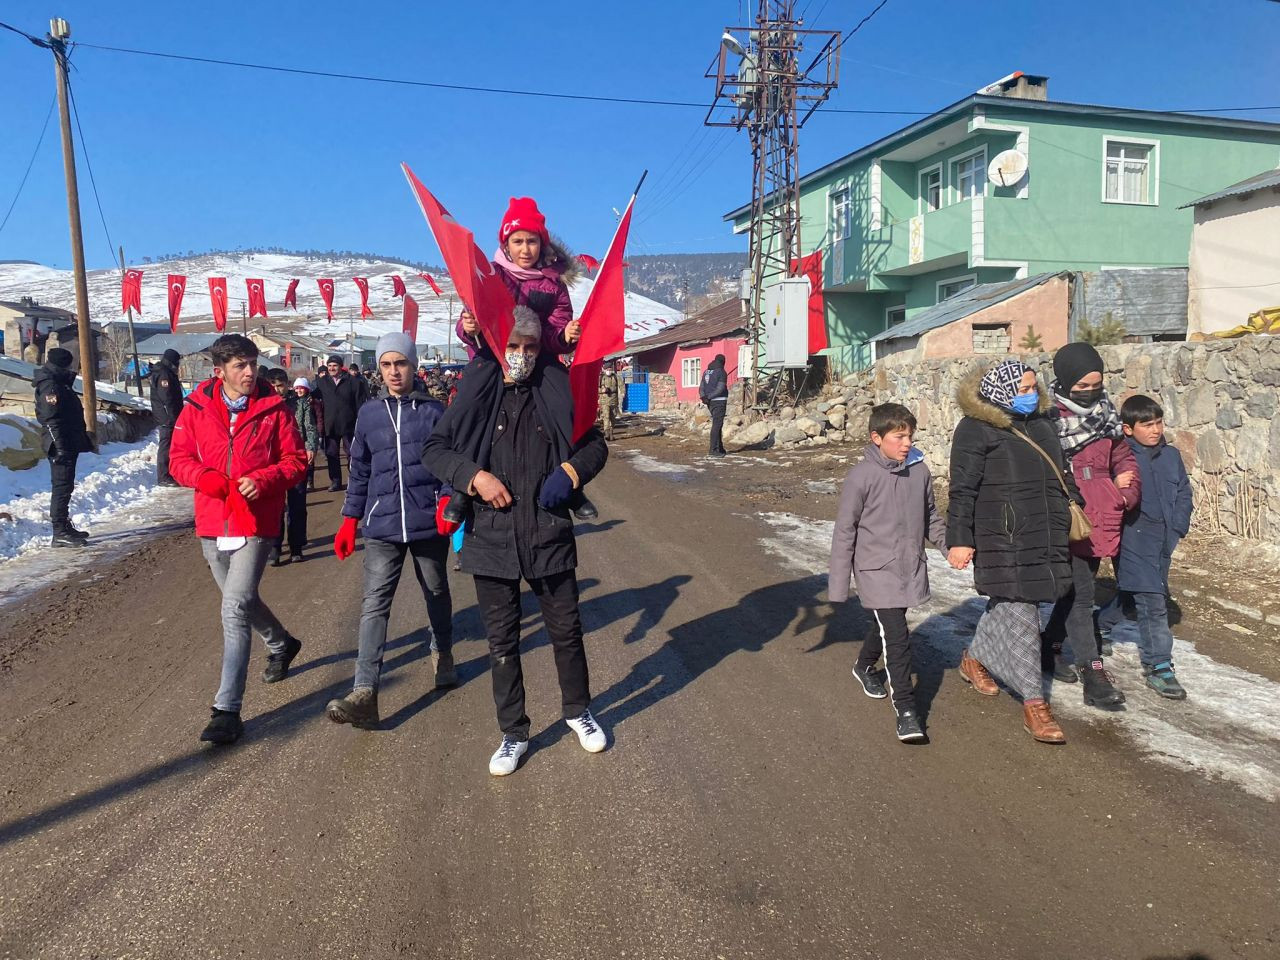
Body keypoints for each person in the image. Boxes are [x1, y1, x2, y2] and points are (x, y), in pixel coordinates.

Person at [424, 307, 609, 776]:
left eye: (530, 346)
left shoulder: (555, 387)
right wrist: (474, 478)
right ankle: (514, 733)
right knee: (502, 642)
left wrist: (570, 472)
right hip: (491, 537)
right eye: (513, 346)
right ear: (496, 344)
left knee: (567, 634)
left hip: (548, 532)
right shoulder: (477, 391)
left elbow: (595, 442)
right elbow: (435, 449)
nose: (522, 355)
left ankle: (578, 711)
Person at [168, 334, 309, 745]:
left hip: (257, 521)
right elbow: (178, 459)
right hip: (213, 519)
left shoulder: (274, 408)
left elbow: (296, 460)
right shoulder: (195, 407)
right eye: (240, 366)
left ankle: (226, 710)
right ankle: (282, 642)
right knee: (242, 601)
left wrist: (263, 479)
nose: (250, 373)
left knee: (233, 608)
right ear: (220, 371)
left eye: (253, 364)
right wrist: (205, 478)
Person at [326, 333, 458, 728]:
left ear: (413, 365)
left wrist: (448, 499)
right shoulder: (368, 414)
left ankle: (443, 653)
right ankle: (365, 689)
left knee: (435, 591)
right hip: (381, 525)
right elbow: (360, 471)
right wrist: (350, 519)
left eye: (400, 363)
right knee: (374, 604)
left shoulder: (434, 412)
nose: (394, 371)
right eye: (386, 364)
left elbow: (450, 463)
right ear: (379, 369)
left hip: (426, 524)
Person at [946, 359, 1079, 745]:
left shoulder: (1041, 423)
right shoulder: (975, 429)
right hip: (1001, 535)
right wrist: (960, 538)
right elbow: (963, 490)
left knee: (1010, 601)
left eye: (1033, 387)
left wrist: (1074, 505)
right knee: (1022, 612)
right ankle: (1034, 704)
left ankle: (973, 658)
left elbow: (1061, 473)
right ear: (1001, 389)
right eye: (1023, 388)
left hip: (1045, 531)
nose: (1031, 394)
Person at [828, 403, 948, 743]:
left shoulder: (919, 472)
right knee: (897, 636)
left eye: (910, 436)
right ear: (876, 438)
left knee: (884, 625)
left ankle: (864, 666)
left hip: (909, 566)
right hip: (875, 571)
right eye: (899, 436)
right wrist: (838, 585)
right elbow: (845, 530)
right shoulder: (861, 476)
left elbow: (931, 518)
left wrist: (948, 546)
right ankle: (907, 711)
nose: (907, 443)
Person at [1041, 342, 1132, 708]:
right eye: (1082, 385)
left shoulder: (1108, 415)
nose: (1091, 391)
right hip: (1066, 516)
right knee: (1082, 596)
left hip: (1102, 518)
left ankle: (1047, 646)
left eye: (1097, 383)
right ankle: (1093, 674)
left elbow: (1124, 458)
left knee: (1074, 591)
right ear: (1065, 381)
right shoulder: (1049, 419)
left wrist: (1124, 490)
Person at [1097, 395, 1193, 700]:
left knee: (1131, 596)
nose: (1155, 430)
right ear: (1128, 429)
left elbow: (1183, 492)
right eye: (1146, 425)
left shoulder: (1171, 456)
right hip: (1131, 538)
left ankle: (1098, 625)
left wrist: (1178, 526)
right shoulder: (1120, 459)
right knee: (1153, 602)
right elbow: (1105, 497)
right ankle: (1159, 666)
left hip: (1164, 538)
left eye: (1158, 423)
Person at [454, 198, 582, 359]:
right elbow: (471, 315)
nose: (525, 250)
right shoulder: (490, 275)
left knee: (559, 383)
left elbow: (556, 328)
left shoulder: (554, 282)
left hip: (536, 359)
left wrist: (564, 336)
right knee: (472, 384)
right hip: (492, 357)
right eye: (518, 242)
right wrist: (469, 329)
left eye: (531, 241)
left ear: (541, 244)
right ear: (506, 245)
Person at [34, 347, 93, 548]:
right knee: (61, 487)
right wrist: (59, 447)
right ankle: (58, 531)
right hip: (60, 444)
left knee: (66, 486)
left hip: (66, 441)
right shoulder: (51, 385)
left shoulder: (58, 382)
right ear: (63, 364)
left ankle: (64, 527)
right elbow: (51, 419)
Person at [316, 354, 364, 491]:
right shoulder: (322, 382)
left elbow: (359, 402)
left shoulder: (353, 382)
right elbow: (314, 397)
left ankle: (355, 480)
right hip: (330, 424)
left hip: (349, 424)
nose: (332, 368)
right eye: (330, 366)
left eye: (335, 366)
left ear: (340, 366)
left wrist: (360, 421)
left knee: (352, 454)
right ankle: (335, 481)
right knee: (332, 454)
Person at [149, 348, 185, 487]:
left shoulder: (165, 372)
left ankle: (169, 473)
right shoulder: (164, 374)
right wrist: (172, 417)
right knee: (166, 445)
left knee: (170, 444)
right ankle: (164, 477)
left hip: (169, 416)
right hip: (167, 417)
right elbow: (167, 398)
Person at [292, 377, 321, 494]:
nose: (299, 390)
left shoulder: (311, 403)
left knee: (309, 462)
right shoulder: (293, 402)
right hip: (294, 438)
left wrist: (312, 443)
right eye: (297, 388)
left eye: (301, 388)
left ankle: (309, 481)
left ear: (306, 389)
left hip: (307, 437)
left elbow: (312, 424)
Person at [699, 354, 729, 457]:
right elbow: (720, 388)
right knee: (717, 425)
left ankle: (720, 448)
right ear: (723, 361)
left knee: (718, 425)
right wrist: (710, 396)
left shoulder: (706, 371)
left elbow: (702, 386)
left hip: (709, 402)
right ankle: (713, 450)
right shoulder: (721, 372)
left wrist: (704, 397)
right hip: (719, 401)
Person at [599, 362, 622, 441]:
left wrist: (623, 393)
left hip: (614, 400)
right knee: (606, 417)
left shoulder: (615, 377)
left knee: (613, 417)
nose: (609, 370)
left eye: (610, 369)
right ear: (605, 370)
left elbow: (621, 385)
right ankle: (606, 433)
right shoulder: (601, 378)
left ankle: (611, 433)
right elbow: (596, 388)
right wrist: (603, 390)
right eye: (607, 369)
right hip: (604, 401)